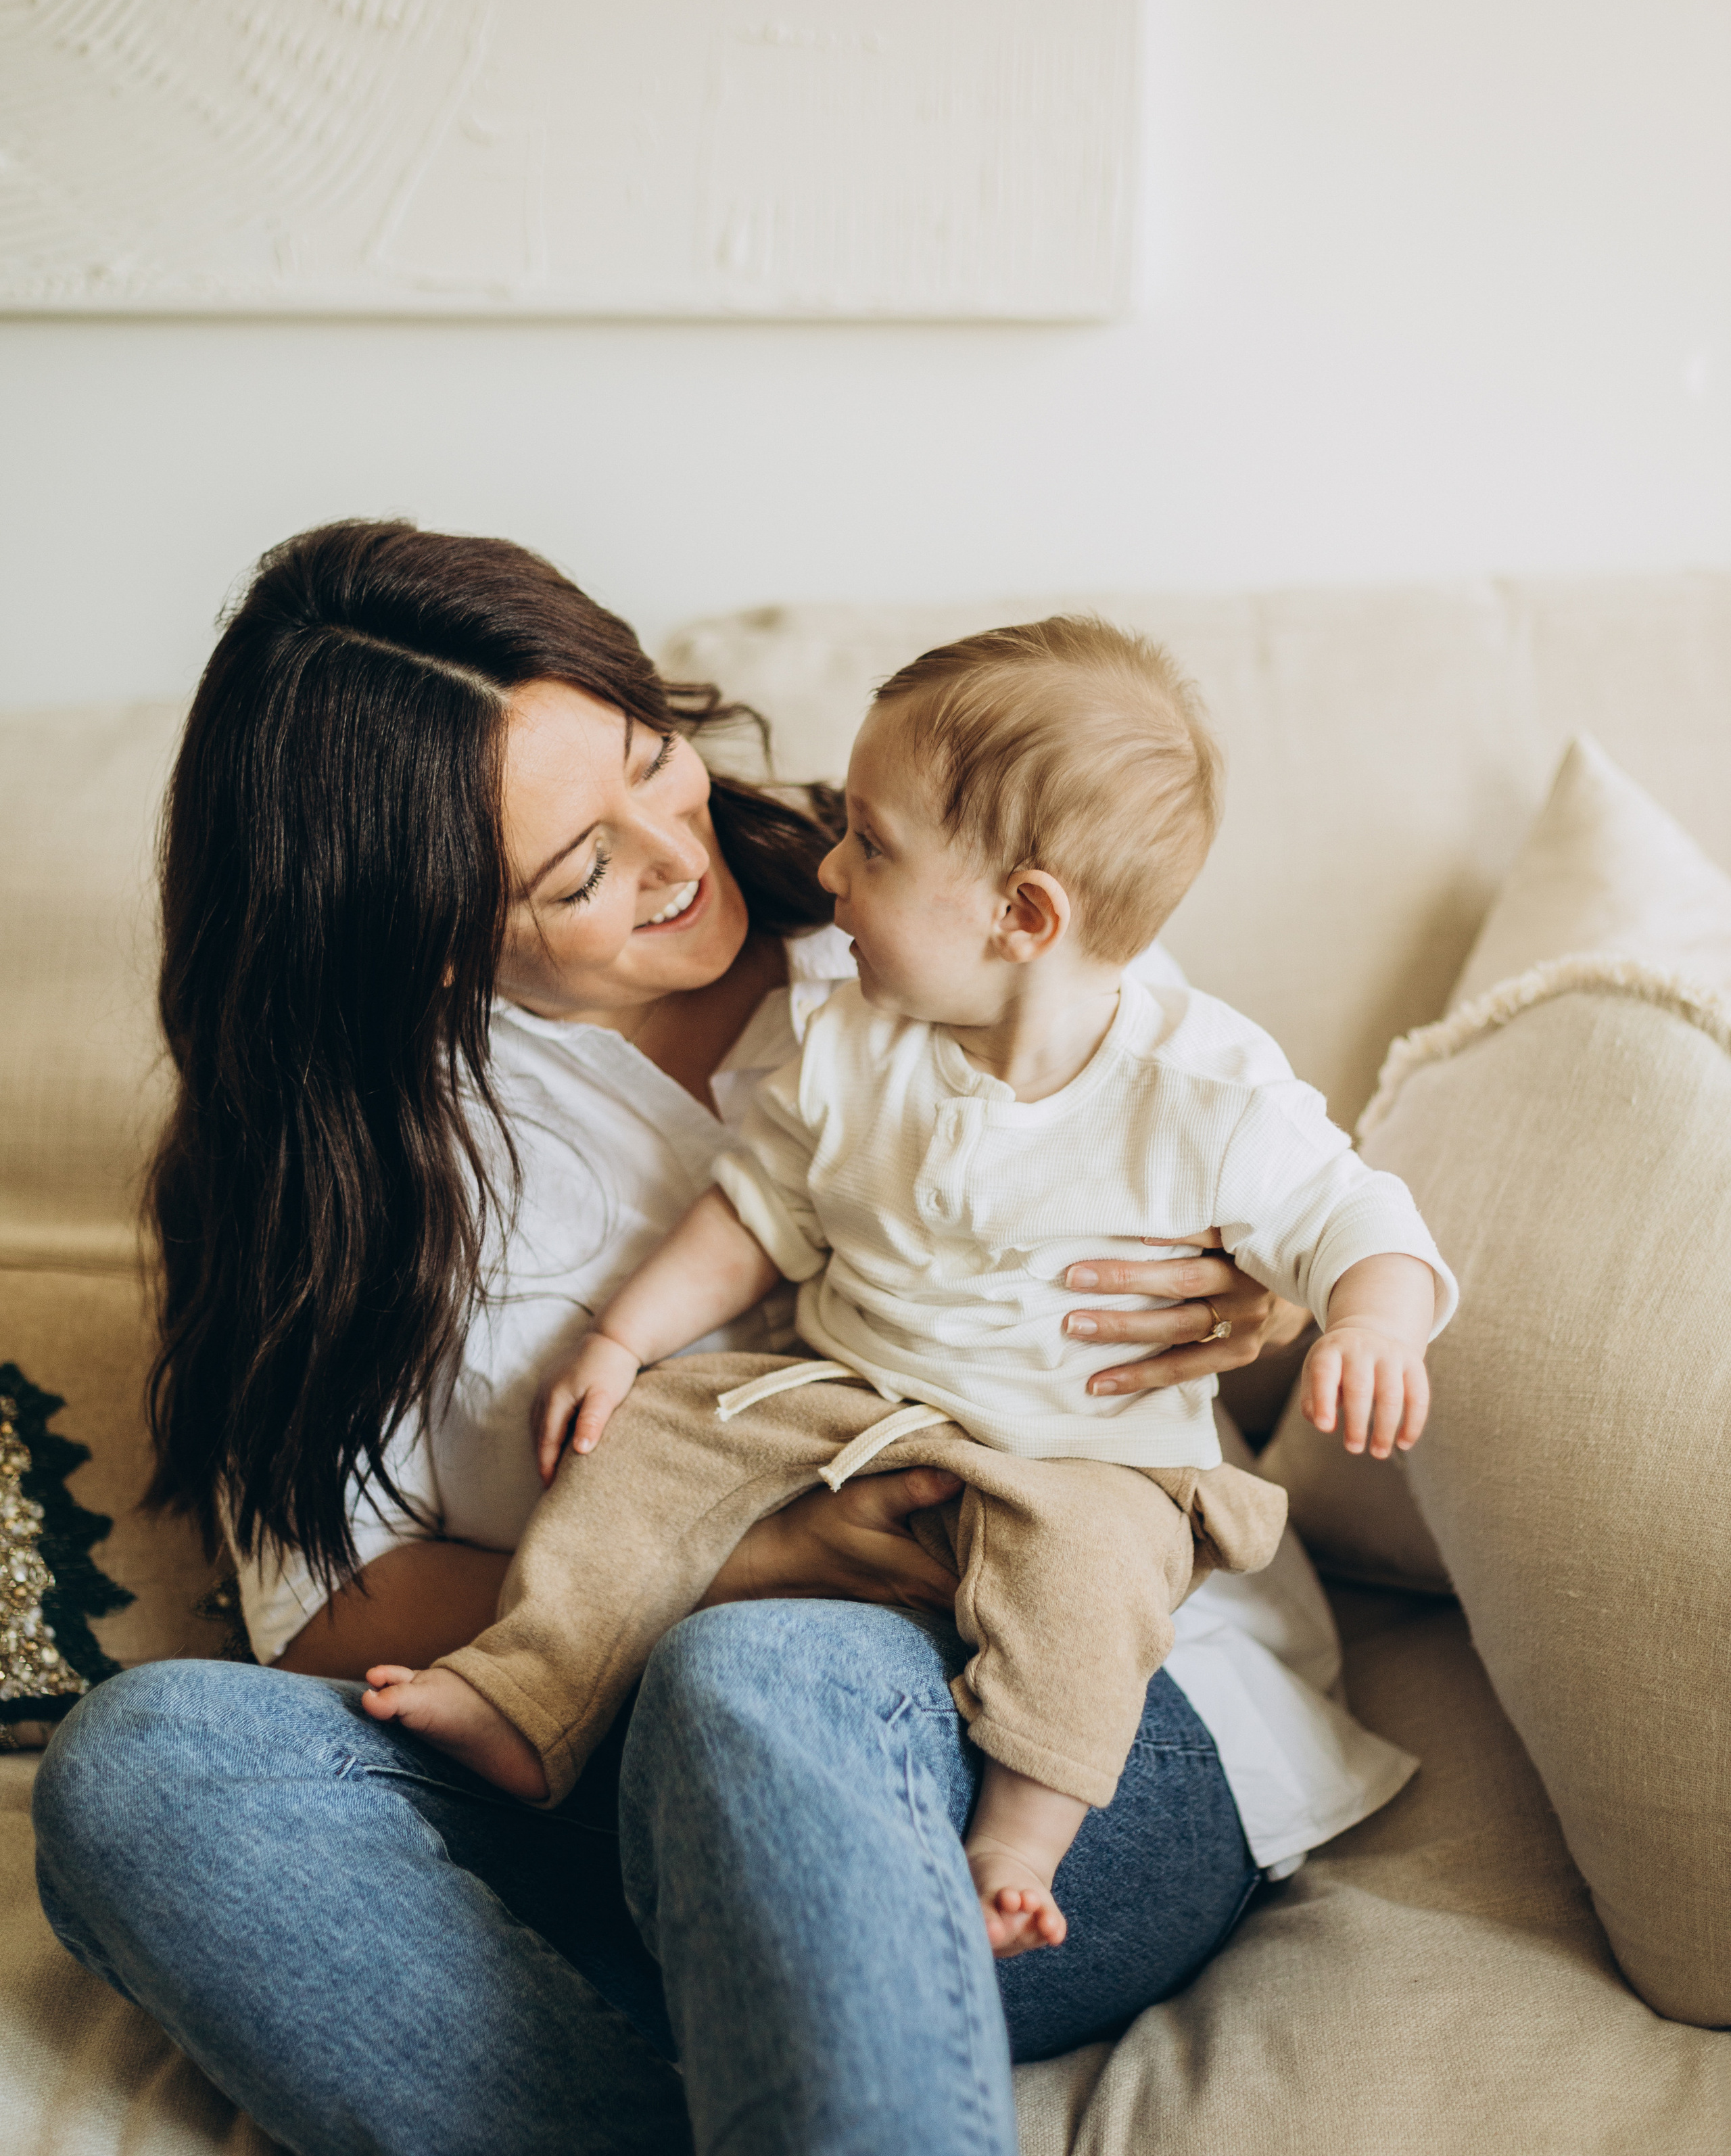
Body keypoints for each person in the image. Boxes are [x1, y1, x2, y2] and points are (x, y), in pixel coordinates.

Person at [32, 521, 1417, 2156]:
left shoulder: (916, 893)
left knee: (759, 1681)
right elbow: (335, 1609)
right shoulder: (339, 1166)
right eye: (584, 865)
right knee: (149, 1772)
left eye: (651, 749)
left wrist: (1273, 1305)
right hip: (590, 1758)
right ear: (409, 923)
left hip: (1065, 1751)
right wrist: (772, 1557)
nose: (684, 854)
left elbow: (1244, 1181)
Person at [364, 618, 1453, 1954]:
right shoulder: (855, 1039)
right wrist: (617, 1341)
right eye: (584, 867)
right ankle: (528, 1696)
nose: (826, 867)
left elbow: (1347, 1210)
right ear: (442, 935)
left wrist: (1356, 1317)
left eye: (655, 762)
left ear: (1024, 918)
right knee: (648, 1439)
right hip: (839, 1407)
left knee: (1089, 1580)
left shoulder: (1193, 1080)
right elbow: (754, 1211)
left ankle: (1017, 1838)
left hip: (1080, 1460)